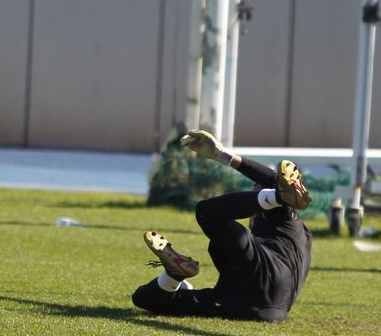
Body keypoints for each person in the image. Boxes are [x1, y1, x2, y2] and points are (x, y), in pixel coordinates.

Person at [133, 131, 313, 323]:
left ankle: (175, 276)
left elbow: (276, 182)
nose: (252, 197)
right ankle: (173, 275)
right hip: (261, 310)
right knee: (145, 300)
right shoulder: (297, 233)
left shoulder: (284, 216)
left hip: (264, 275)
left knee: (207, 212)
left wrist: (222, 155)